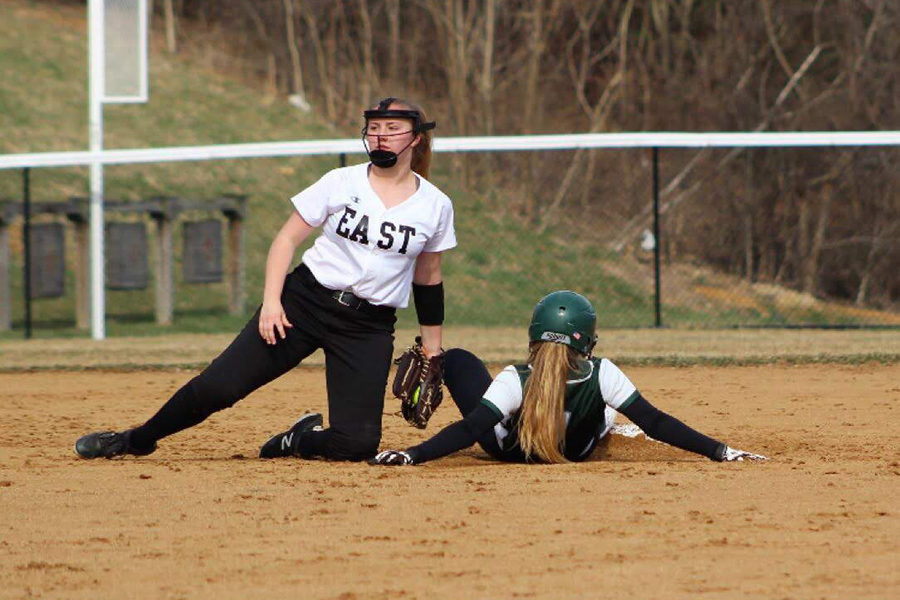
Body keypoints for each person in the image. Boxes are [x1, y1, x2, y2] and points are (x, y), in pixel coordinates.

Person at [75, 97, 456, 462]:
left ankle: (298, 439)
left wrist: (432, 350)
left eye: (393, 128)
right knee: (218, 388)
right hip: (303, 305)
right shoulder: (342, 181)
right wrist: (272, 302)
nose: (380, 136)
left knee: (356, 443)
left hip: (367, 326)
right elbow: (286, 239)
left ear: (416, 136)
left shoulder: (435, 204)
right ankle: (135, 440)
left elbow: (428, 276)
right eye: (374, 128)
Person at [369, 290, 767, 466]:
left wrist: (413, 454)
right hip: (577, 451)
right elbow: (657, 423)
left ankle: (437, 360)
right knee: (610, 411)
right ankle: (610, 426)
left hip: (509, 452)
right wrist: (720, 450)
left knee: (458, 359)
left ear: (534, 333)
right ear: (587, 340)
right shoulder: (602, 372)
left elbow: (470, 427)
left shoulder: (516, 378)